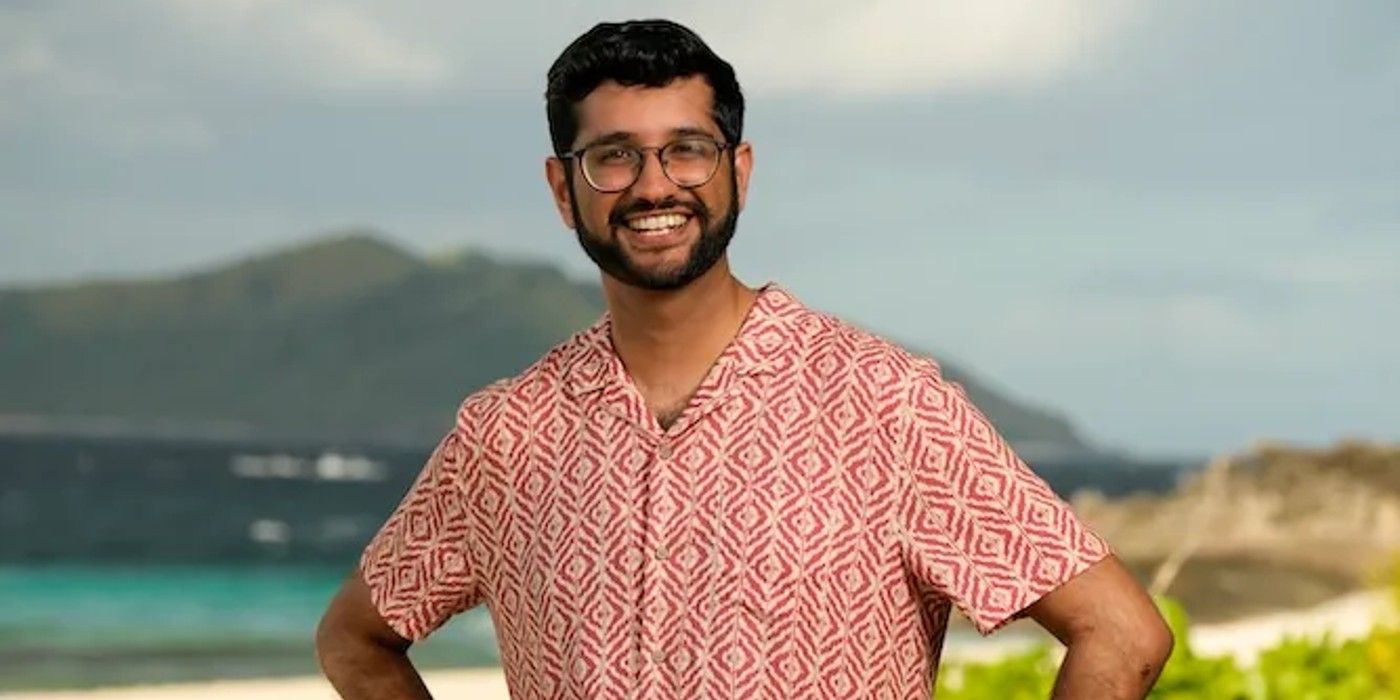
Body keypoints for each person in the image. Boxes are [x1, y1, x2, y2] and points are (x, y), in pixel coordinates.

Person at [316, 18, 1173, 699]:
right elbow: (355, 640)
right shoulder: (505, 434)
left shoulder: (886, 405)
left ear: (739, 169)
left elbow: (1123, 634)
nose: (655, 186)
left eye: (686, 149)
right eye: (613, 156)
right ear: (560, 188)